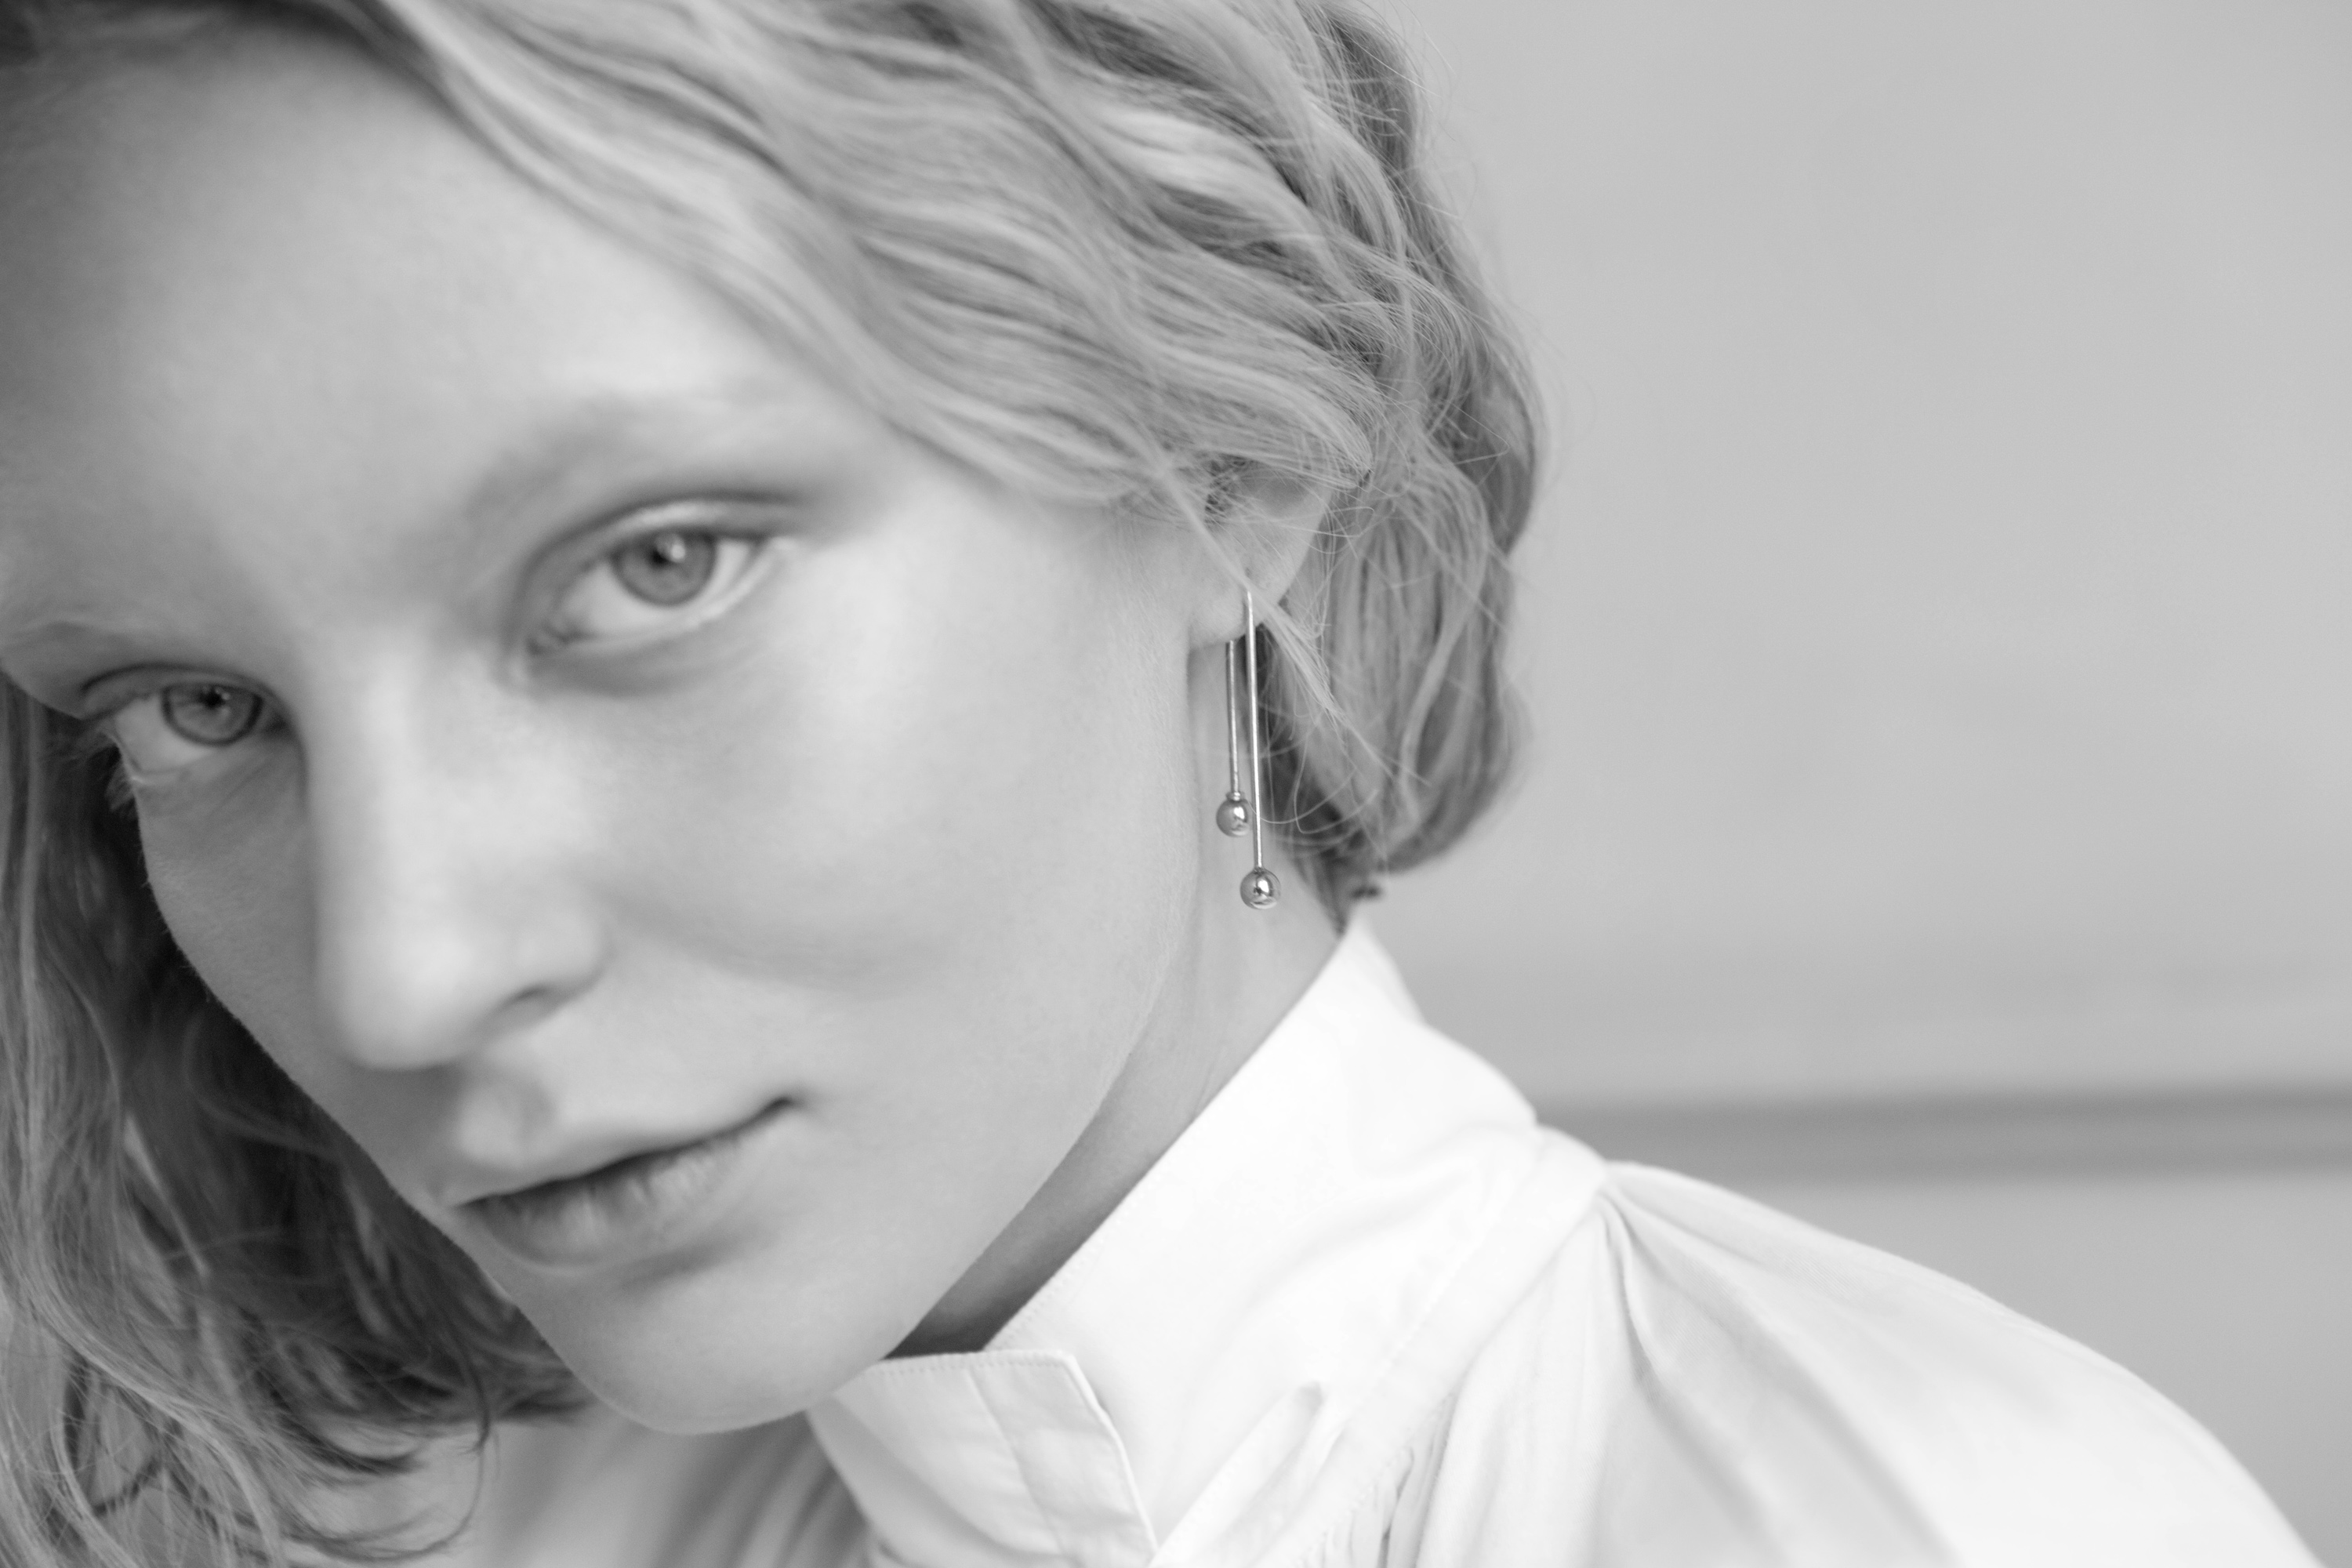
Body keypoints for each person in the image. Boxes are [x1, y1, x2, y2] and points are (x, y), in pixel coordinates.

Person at [0, 2, 2320, 1564]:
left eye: (653, 567)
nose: (398, 974)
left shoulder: (1920, 1525)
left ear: (1227, 462)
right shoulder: (437, 1530)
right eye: (189, 708)